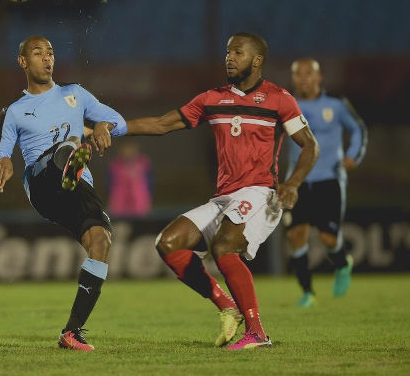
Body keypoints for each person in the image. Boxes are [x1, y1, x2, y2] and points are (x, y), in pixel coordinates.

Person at [124, 32, 319, 349]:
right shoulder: (212, 98)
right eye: (228, 52)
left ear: (257, 60)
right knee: (168, 243)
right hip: (224, 197)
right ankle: (227, 306)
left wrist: (294, 183)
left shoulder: (279, 98)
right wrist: (112, 126)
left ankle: (257, 332)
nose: (229, 57)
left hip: (261, 192)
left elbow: (310, 146)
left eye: (238, 52)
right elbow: (162, 124)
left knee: (225, 246)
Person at [0, 35, 127, 351]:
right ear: (23, 61)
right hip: (41, 185)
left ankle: (71, 333)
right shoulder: (13, 111)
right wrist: (3, 163)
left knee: (101, 241)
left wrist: (105, 124)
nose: (46, 58)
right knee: (66, 148)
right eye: (37, 53)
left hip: (80, 187)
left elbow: (118, 121)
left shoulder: (75, 94)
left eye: (50, 52)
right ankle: (65, 162)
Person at [284, 58, 368, 307]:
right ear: (293, 78)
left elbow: (358, 130)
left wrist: (353, 155)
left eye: (309, 73)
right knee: (296, 235)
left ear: (319, 78)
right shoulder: (287, 106)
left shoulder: (336, 105)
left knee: (328, 238)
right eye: (298, 74)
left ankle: (342, 264)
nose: (303, 78)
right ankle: (308, 292)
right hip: (297, 181)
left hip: (329, 178)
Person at [107, 140, 153, 218]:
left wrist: (148, 200)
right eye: (125, 150)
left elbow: (149, 183)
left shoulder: (144, 163)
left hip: (140, 203)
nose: (128, 153)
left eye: (131, 150)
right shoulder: (115, 165)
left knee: (141, 225)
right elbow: (110, 184)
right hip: (119, 203)